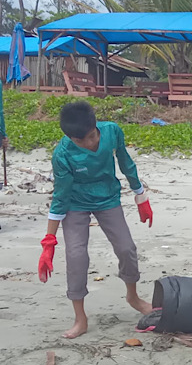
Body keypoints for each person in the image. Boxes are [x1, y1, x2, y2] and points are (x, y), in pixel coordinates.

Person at [37, 102, 154, 339]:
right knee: (76, 256)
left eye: (91, 136)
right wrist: (49, 241)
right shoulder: (62, 154)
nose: (89, 143)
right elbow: (60, 196)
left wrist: (140, 196)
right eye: (81, 141)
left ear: (96, 125)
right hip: (75, 204)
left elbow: (125, 162)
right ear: (70, 137)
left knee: (126, 248)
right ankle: (80, 318)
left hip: (107, 197)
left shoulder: (112, 131)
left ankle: (132, 296)